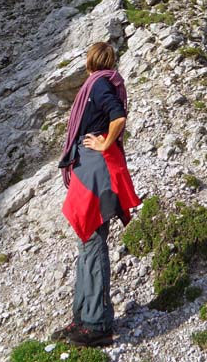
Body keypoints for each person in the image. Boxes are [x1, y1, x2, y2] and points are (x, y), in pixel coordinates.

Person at [52, 41, 141, 347]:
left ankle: (97, 325)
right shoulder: (103, 84)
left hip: (96, 172)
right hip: (93, 172)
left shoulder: (99, 85)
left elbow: (118, 117)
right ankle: (83, 318)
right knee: (87, 241)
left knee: (92, 241)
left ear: (90, 63)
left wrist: (103, 143)